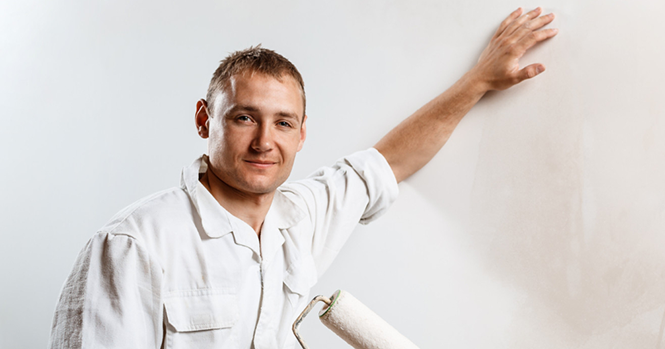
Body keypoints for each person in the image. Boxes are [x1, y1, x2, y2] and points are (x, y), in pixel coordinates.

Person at [49, 7, 557, 349]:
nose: (265, 141)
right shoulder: (135, 244)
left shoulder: (301, 218)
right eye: (244, 117)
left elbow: (389, 162)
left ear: (302, 133)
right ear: (205, 119)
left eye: (283, 122)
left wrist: (480, 80)